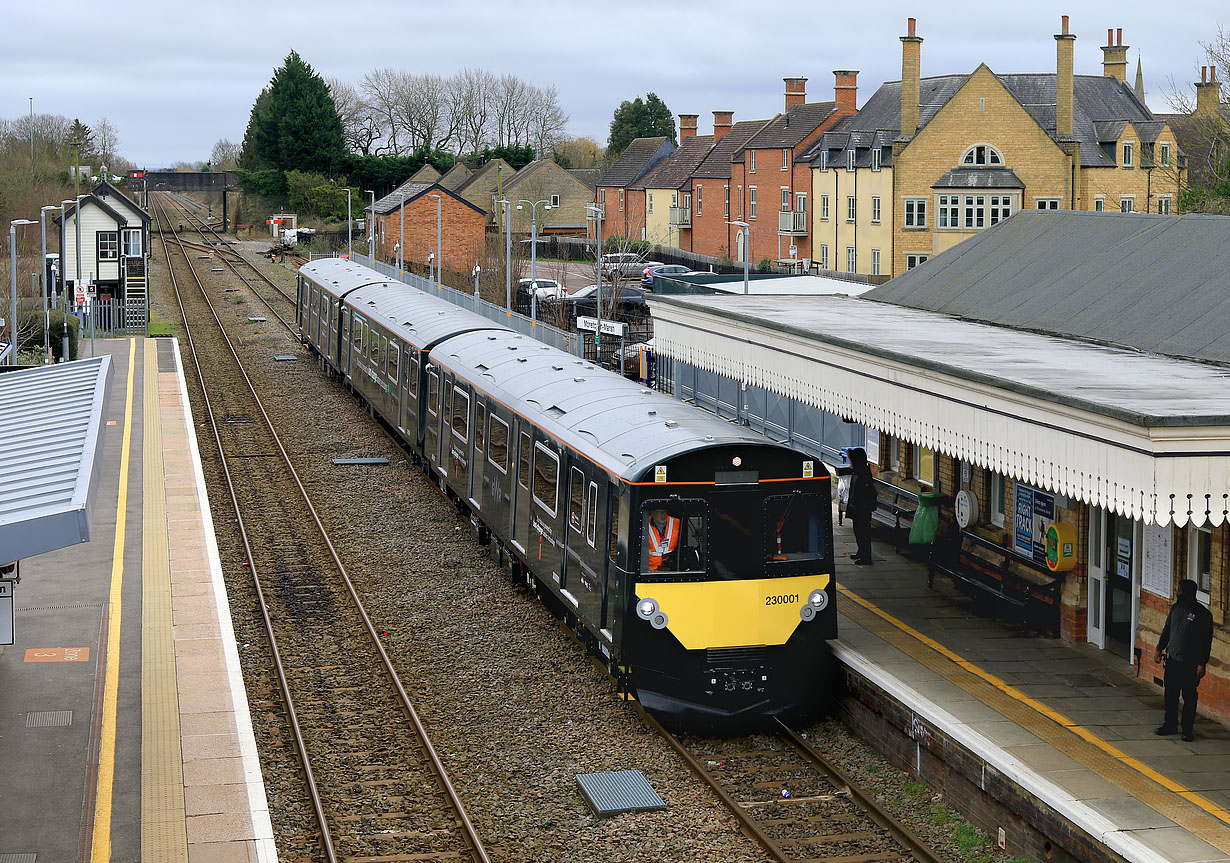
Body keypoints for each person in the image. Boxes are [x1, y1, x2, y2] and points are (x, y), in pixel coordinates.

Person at [1154, 579, 1214, 742]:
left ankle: (1187, 730)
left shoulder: (1203, 615)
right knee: (1170, 695)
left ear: (1186, 593)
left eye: (1179, 590)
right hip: (1173, 660)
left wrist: (1202, 663)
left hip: (1191, 664)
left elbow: (1206, 641)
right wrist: (1159, 649)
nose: (1177, 592)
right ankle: (1170, 724)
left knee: (1189, 697)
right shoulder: (1176, 609)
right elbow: (1167, 630)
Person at [845, 447, 877, 565]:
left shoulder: (863, 474)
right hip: (856, 507)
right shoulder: (858, 471)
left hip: (861, 509)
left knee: (863, 533)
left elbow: (866, 493)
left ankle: (866, 556)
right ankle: (861, 552)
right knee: (858, 532)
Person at [647, 507, 680, 572]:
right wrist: (646, 569)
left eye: (665, 512)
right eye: (660, 512)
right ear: (652, 512)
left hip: (671, 569)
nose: (663, 515)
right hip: (650, 571)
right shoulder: (643, 524)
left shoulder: (677, 522)